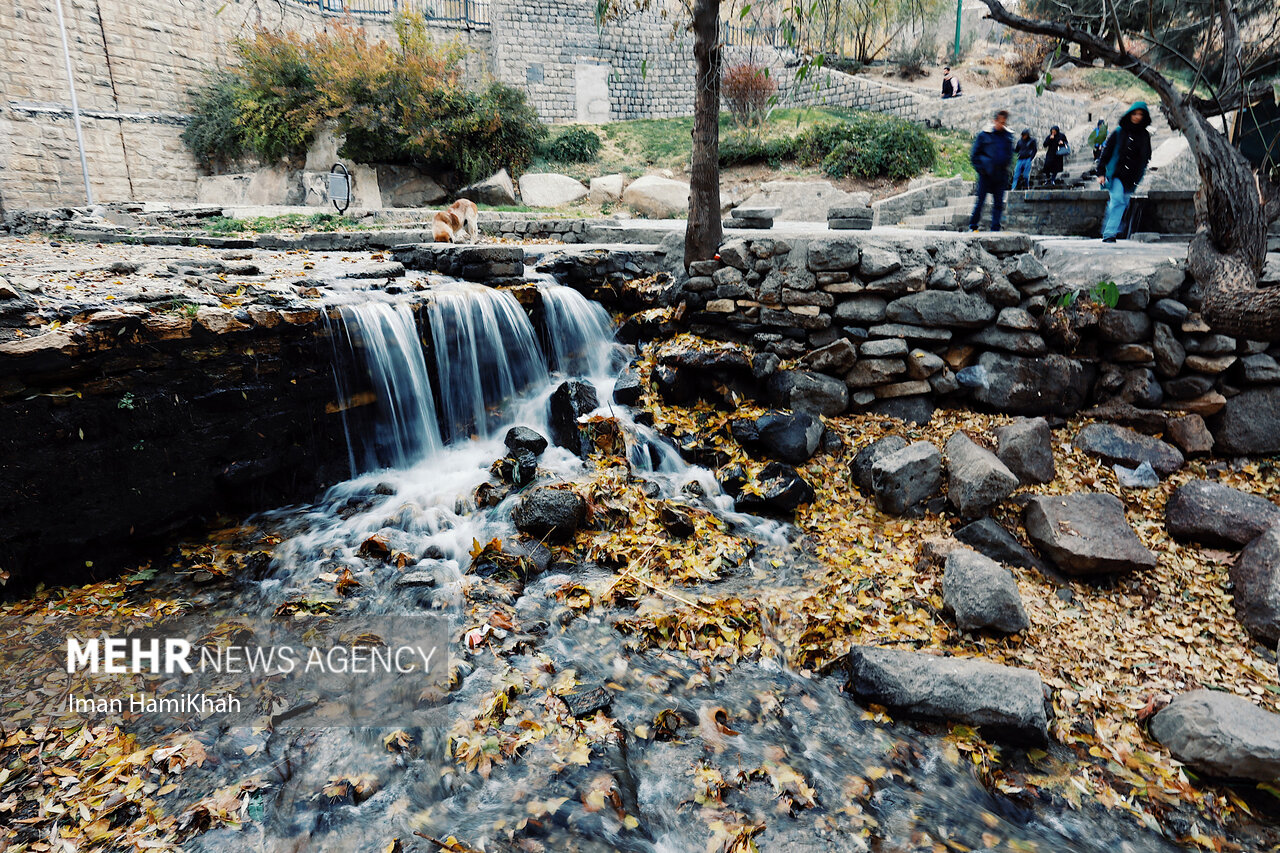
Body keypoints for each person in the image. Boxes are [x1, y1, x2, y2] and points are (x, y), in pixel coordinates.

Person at [1097, 101, 1153, 242]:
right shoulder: (1119, 132)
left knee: (1122, 203)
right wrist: (1101, 173)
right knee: (1117, 201)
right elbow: (1106, 153)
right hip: (1116, 173)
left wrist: (1141, 173)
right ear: (1130, 114)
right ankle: (1109, 234)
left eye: (1140, 114)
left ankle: (1114, 227)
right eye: (1135, 113)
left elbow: (1146, 156)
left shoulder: (1145, 136)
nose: (1137, 117)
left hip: (1132, 177)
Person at [968, 109, 1014, 232]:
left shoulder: (1008, 136)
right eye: (999, 121)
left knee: (998, 204)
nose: (1001, 124)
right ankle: (973, 226)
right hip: (986, 174)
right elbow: (974, 155)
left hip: (1001, 175)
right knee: (980, 202)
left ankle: (995, 229)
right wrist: (981, 169)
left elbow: (1010, 154)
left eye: (1003, 122)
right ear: (995, 121)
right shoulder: (984, 135)